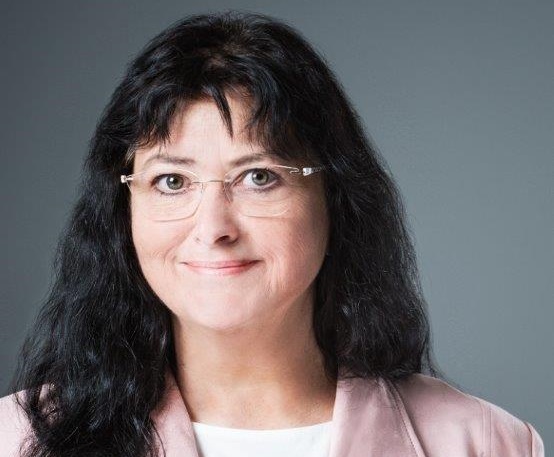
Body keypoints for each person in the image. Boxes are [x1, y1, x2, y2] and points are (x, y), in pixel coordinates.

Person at [0, 11, 544, 457]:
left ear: (335, 197)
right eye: (172, 181)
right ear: (123, 210)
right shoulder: (16, 440)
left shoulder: (484, 443)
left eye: (258, 177)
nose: (213, 228)